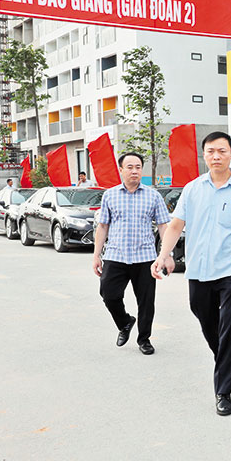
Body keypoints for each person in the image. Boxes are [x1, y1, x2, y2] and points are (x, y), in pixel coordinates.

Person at [151, 132, 231, 417]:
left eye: (222, 151)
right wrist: (163, 254)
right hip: (200, 269)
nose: (216, 156)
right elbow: (176, 225)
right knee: (203, 314)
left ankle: (223, 391)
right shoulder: (192, 189)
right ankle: (226, 356)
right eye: (211, 151)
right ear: (204, 155)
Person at [92, 152, 171, 356]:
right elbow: (103, 226)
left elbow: (164, 225)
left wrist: (166, 254)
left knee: (146, 302)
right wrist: (96, 255)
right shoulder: (110, 195)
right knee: (108, 294)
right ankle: (124, 322)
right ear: (121, 170)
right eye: (130, 167)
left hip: (144, 257)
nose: (134, 170)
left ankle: (144, 339)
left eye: (138, 167)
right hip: (115, 255)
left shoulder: (153, 196)